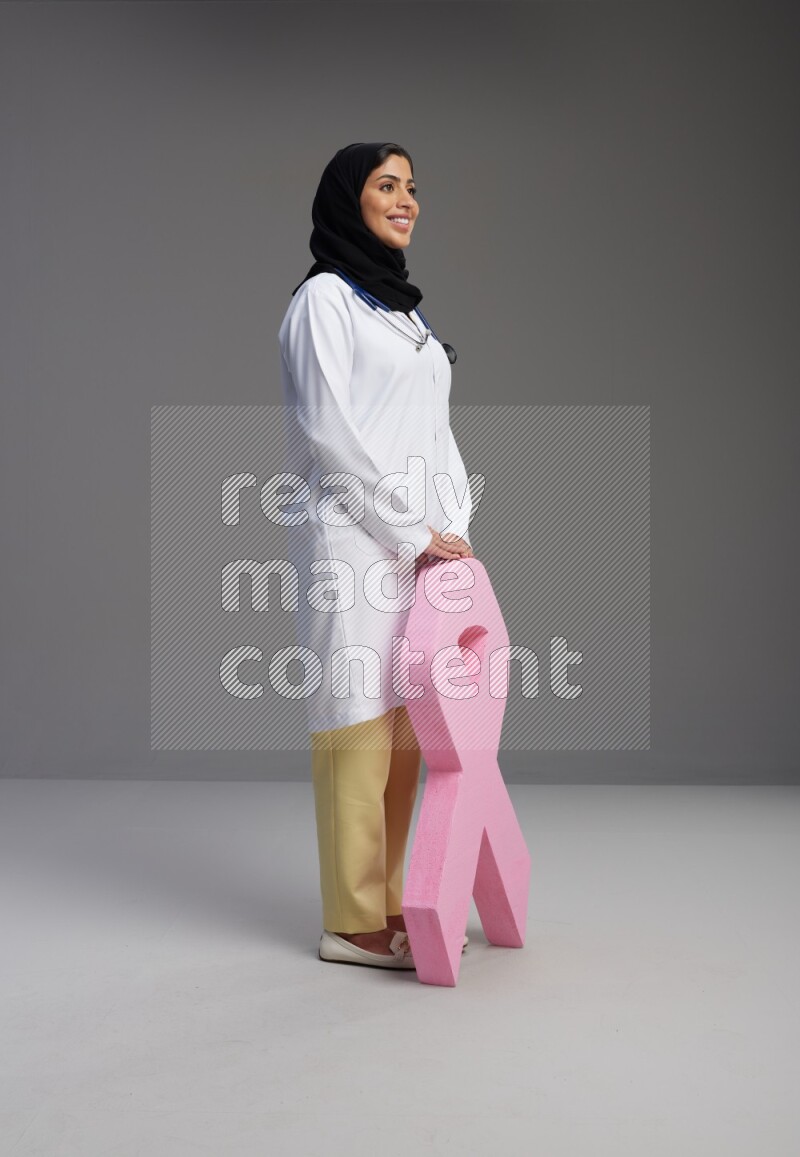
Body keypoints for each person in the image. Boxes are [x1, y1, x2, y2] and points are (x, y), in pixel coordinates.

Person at [278, 142, 474, 969]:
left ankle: (396, 899)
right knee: (354, 725)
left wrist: (453, 524)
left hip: (417, 549)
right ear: (347, 201)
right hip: (354, 544)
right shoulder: (324, 301)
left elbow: (436, 434)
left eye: (412, 188)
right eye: (386, 186)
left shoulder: (404, 312)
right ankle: (351, 921)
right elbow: (330, 434)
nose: (406, 200)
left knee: (402, 731)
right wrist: (407, 530)